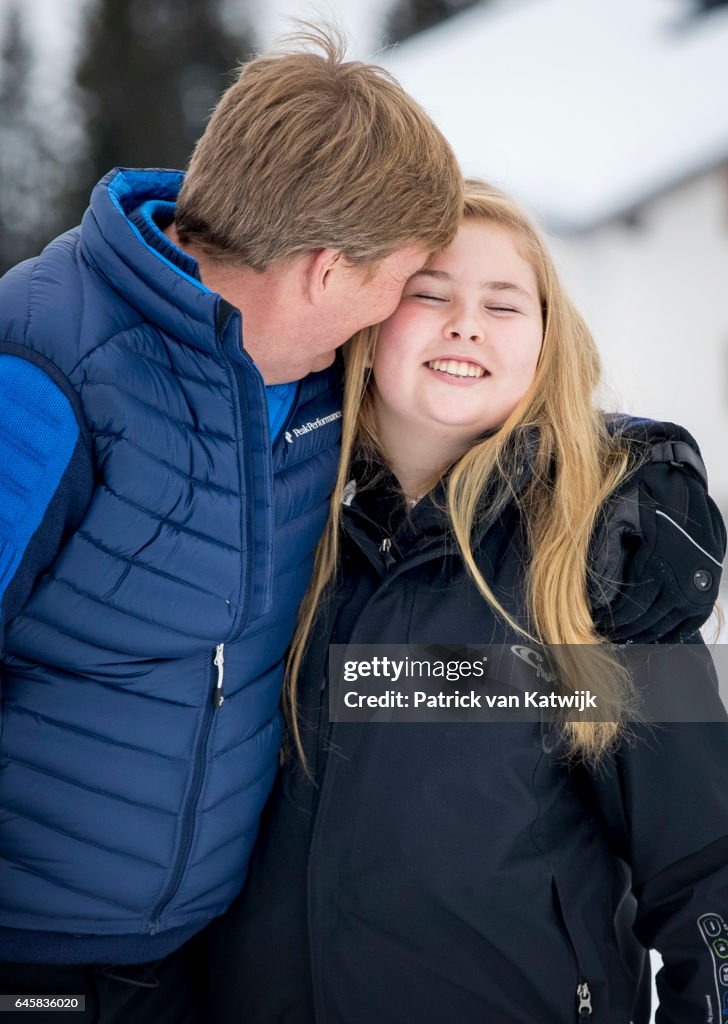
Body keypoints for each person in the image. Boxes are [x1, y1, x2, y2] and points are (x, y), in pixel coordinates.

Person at [0, 26, 463, 1022]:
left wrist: (633, 493)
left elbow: (489, 403)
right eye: (405, 281)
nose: (401, 317)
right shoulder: (43, 375)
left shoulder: (322, 385)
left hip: (197, 962)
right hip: (30, 968)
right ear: (329, 271)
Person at [207, 180, 728, 1023]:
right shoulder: (274, 536)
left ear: (542, 343)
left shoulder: (606, 559)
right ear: (370, 322)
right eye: (430, 294)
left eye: (503, 304)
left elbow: (712, 867)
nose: (465, 323)